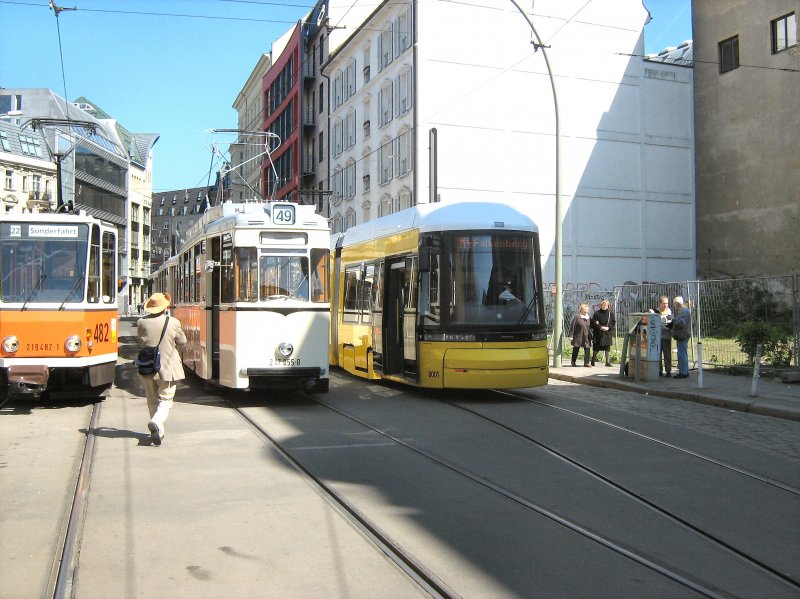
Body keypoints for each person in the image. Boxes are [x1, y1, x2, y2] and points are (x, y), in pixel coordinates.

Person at [137, 292, 187, 446]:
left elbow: (140, 341)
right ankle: (157, 423)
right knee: (166, 400)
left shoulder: (141, 322)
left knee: (152, 400)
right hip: (167, 367)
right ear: (164, 307)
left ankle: (159, 431)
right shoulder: (173, 322)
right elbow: (182, 341)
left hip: (148, 366)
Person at [649, 295, 673, 376]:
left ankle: (668, 371)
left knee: (667, 354)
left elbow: (668, 324)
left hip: (666, 336)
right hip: (657, 337)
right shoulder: (655, 311)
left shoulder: (669, 312)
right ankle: (659, 370)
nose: (665, 305)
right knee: (658, 354)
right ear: (660, 303)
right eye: (664, 303)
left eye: (667, 303)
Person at [670, 296, 691, 379]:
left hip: (683, 335)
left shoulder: (683, 311)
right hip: (682, 335)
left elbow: (681, 323)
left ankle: (683, 372)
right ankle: (684, 371)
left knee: (682, 354)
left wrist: (673, 319)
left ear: (676, 304)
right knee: (682, 353)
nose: (674, 307)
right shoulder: (683, 310)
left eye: (674, 305)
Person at [590, 300, 616, 366]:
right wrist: (600, 327)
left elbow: (613, 323)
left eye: (606, 305)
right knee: (596, 348)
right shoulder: (597, 313)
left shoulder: (611, 313)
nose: (604, 306)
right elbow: (593, 322)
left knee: (607, 348)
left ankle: (607, 362)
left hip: (607, 333)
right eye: (603, 305)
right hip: (598, 333)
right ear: (601, 306)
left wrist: (608, 328)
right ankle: (593, 360)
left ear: (608, 306)